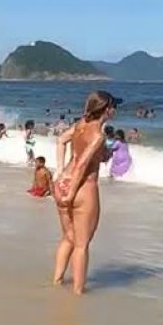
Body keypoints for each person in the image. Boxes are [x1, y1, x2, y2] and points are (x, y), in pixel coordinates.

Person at [52, 90, 121, 295]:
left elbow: (62, 141)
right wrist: (72, 192)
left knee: (68, 238)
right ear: (106, 110)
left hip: (63, 181)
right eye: (113, 106)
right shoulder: (98, 135)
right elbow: (82, 165)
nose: (115, 110)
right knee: (81, 245)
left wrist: (60, 171)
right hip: (83, 188)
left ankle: (56, 281)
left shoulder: (81, 124)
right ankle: (78, 292)